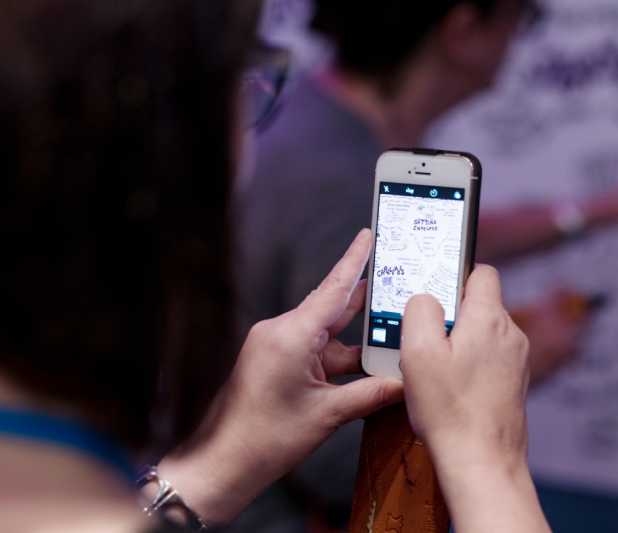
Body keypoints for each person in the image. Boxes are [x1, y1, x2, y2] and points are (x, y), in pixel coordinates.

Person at [0, 1, 549, 532]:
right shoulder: (338, 177)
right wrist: (487, 455)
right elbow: (336, 470)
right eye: (247, 85)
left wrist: (221, 461)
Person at [235, 0, 618, 528]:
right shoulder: (340, 178)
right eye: (521, 18)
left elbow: (439, 242)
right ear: (464, 29)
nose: (519, 40)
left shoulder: (316, 118)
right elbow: (336, 451)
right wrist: (514, 375)